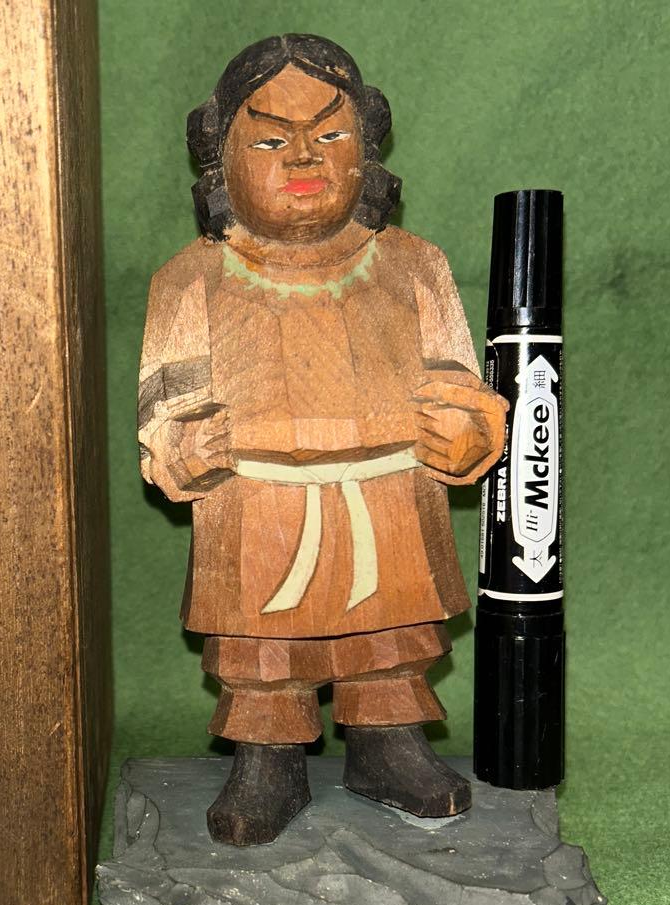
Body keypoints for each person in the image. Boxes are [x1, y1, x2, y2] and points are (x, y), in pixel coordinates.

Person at [138, 34, 507, 846]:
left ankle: (388, 745)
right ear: (220, 160)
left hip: (391, 497)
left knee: (392, 637)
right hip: (256, 509)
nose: (303, 157)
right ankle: (267, 757)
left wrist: (470, 428)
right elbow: (164, 402)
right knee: (262, 650)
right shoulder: (190, 280)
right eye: (270, 140)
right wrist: (180, 447)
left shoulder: (413, 266)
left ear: (366, 151)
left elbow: (459, 377)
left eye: (329, 134)